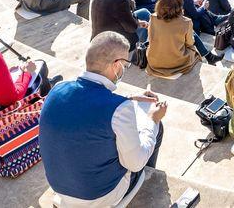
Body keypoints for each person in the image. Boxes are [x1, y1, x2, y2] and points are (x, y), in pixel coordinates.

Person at [39, 32, 167, 207]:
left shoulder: (56, 89)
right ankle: (147, 182)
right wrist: (153, 119)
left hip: (61, 189)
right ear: (116, 66)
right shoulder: (119, 109)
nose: (124, 69)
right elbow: (135, 163)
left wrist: (128, 99)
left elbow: (83, 110)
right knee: (155, 128)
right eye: (125, 64)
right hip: (99, 197)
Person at [148, 0, 215, 77]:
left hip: (154, 61)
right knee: (194, 52)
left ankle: (209, 56)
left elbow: (151, 38)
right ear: (179, 5)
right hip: (177, 63)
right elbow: (190, 43)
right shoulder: (186, 22)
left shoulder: (153, 17)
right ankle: (209, 56)